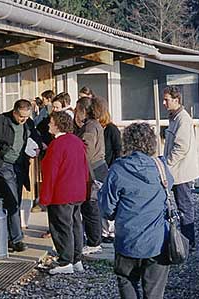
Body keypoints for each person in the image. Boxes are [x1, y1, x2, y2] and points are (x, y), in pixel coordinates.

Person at [99, 122, 173, 299]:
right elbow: (168, 192)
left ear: (127, 142)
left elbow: (107, 209)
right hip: (157, 241)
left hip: (128, 240)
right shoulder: (161, 168)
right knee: (154, 292)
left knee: (126, 281)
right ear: (151, 143)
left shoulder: (118, 169)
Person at [0, 99, 42, 252]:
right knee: (12, 201)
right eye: (21, 117)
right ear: (14, 112)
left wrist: (37, 147)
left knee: (14, 200)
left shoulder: (28, 123)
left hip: (20, 165)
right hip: (3, 164)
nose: (23, 120)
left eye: (26, 117)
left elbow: (35, 136)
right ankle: (17, 239)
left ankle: (12, 237)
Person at [39, 111, 88, 274]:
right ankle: (76, 259)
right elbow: (84, 167)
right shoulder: (77, 141)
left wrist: (44, 198)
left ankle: (65, 261)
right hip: (78, 191)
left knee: (61, 228)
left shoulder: (57, 145)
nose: (48, 125)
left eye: (50, 122)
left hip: (61, 192)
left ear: (57, 124)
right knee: (75, 225)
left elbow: (51, 173)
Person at [163, 86, 199, 250]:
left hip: (181, 173)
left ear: (176, 100)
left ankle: (188, 242)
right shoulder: (174, 118)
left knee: (184, 207)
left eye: (167, 100)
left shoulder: (183, 119)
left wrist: (166, 164)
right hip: (175, 172)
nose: (164, 103)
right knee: (175, 206)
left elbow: (181, 148)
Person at [74, 96, 108, 255]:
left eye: (77, 109)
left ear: (83, 110)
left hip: (93, 169)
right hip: (96, 167)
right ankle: (94, 239)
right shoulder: (93, 125)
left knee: (90, 207)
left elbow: (85, 150)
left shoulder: (90, 127)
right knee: (91, 207)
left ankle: (94, 242)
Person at [98, 105, 121, 244]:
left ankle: (110, 231)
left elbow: (118, 149)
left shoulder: (111, 129)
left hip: (110, 168)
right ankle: (104, 231)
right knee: (102, 200)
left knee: (110, 200)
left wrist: (115, 167)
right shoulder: (99, 129)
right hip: (101, 169)